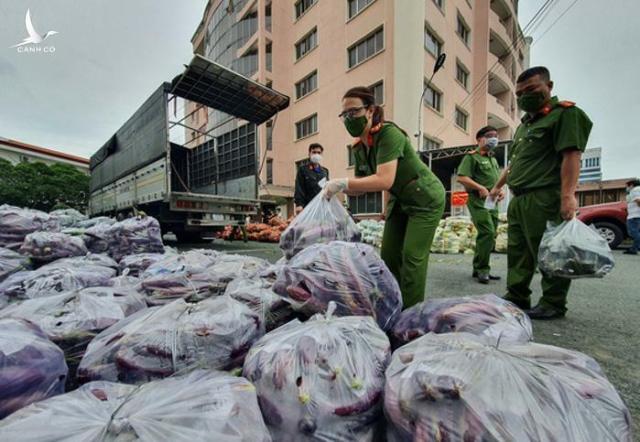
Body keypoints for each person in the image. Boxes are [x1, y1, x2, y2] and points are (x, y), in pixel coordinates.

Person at [324, 86, 445, 308]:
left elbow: (384, 179)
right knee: (388, 255)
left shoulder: (389, 134)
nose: (349, 118)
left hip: (425, 198)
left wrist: (342, 182)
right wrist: (333, 192)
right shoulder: (360, 147)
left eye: (355, 112)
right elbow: (362, 186)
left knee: (412, 257)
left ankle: (411, 312)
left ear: (370, 111)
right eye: (345, 115)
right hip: (399, 199)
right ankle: (392, 303)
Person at [489, 66, 593, 320]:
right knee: (518, 250)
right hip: (519, 197)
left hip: (544, 196)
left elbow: (571, 155)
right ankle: (517, 295)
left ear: (549, 86)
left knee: (549, 250)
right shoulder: (524, 126)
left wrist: (568, 196)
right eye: (520, 93)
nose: (525, 96)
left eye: (532, 89)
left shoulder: (565, 115)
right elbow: (514, 165)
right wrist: (498, 187)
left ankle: (553, 302)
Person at [457, 126, 505, 284]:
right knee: (487, 231)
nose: (494, 138)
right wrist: (480, 188)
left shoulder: (492, 158)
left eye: (496, 136)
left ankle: (478, 268)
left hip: (492, 202)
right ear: (479, 139)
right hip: (477, 201)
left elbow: (496, 180)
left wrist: (500, 190)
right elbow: (462, 178)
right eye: (490, 135)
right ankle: (483, 269)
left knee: (489, 235)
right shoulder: (472, 157)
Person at [294, 143, 329, 214]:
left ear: (321, 154)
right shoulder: (303, 170)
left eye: (319, 153)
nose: (316, 154)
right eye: (314, 152)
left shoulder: (325, 171)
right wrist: (299, 204)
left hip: (321, 206)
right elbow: (299, 187)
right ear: (309, 154)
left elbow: (327, 188)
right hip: (307, 206)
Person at [624, 178, 640, 255]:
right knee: (635, 232)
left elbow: (638, 200)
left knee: (633, 232)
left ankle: (634, 249)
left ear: (632, 185)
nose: (626, 188)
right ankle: (636, 247)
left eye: (627, 186)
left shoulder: (635, 190)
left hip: (635, 215)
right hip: (635, 215)